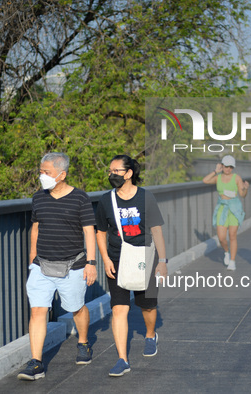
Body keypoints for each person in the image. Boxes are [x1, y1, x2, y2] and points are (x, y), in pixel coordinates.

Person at [17, 152, 98, 381]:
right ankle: (36, 362)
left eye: (47, 172)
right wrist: (33, 259)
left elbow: (89, 232)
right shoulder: (38, 198)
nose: (42, 176)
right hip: (41, 266)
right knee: (37, 311)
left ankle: (83, 342)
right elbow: (35, 228)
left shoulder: (80, 198)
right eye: (41, 171)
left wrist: (91, 263)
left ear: (62, 175)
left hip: (73, 266)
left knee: (76, 308)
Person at [95, 154, 168, 377]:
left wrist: (163, 261)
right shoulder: (106, 200)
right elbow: (100, 231)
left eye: (116, 171)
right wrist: (105, 259)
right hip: (117, 258)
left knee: (147, 306)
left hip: (145, 257)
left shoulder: (146, 197)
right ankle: (122, 360)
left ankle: (149, 334)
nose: (111, 174)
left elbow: (156, 229)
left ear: (129, 174)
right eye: (110, 170)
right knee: (119, 308)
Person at [202, 155, 249, 271]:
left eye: (230, 167)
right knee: (221, 237)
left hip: (234, 207)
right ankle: (226, 251)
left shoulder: (236, 178)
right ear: (222, 165)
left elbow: (242, 195)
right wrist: (215, 171)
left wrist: (245, 188)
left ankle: (232, 261)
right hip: (222, 207)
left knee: (232, 235)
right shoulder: (218, 177)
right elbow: (205, 180)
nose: (228, 169)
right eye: (226, 166)